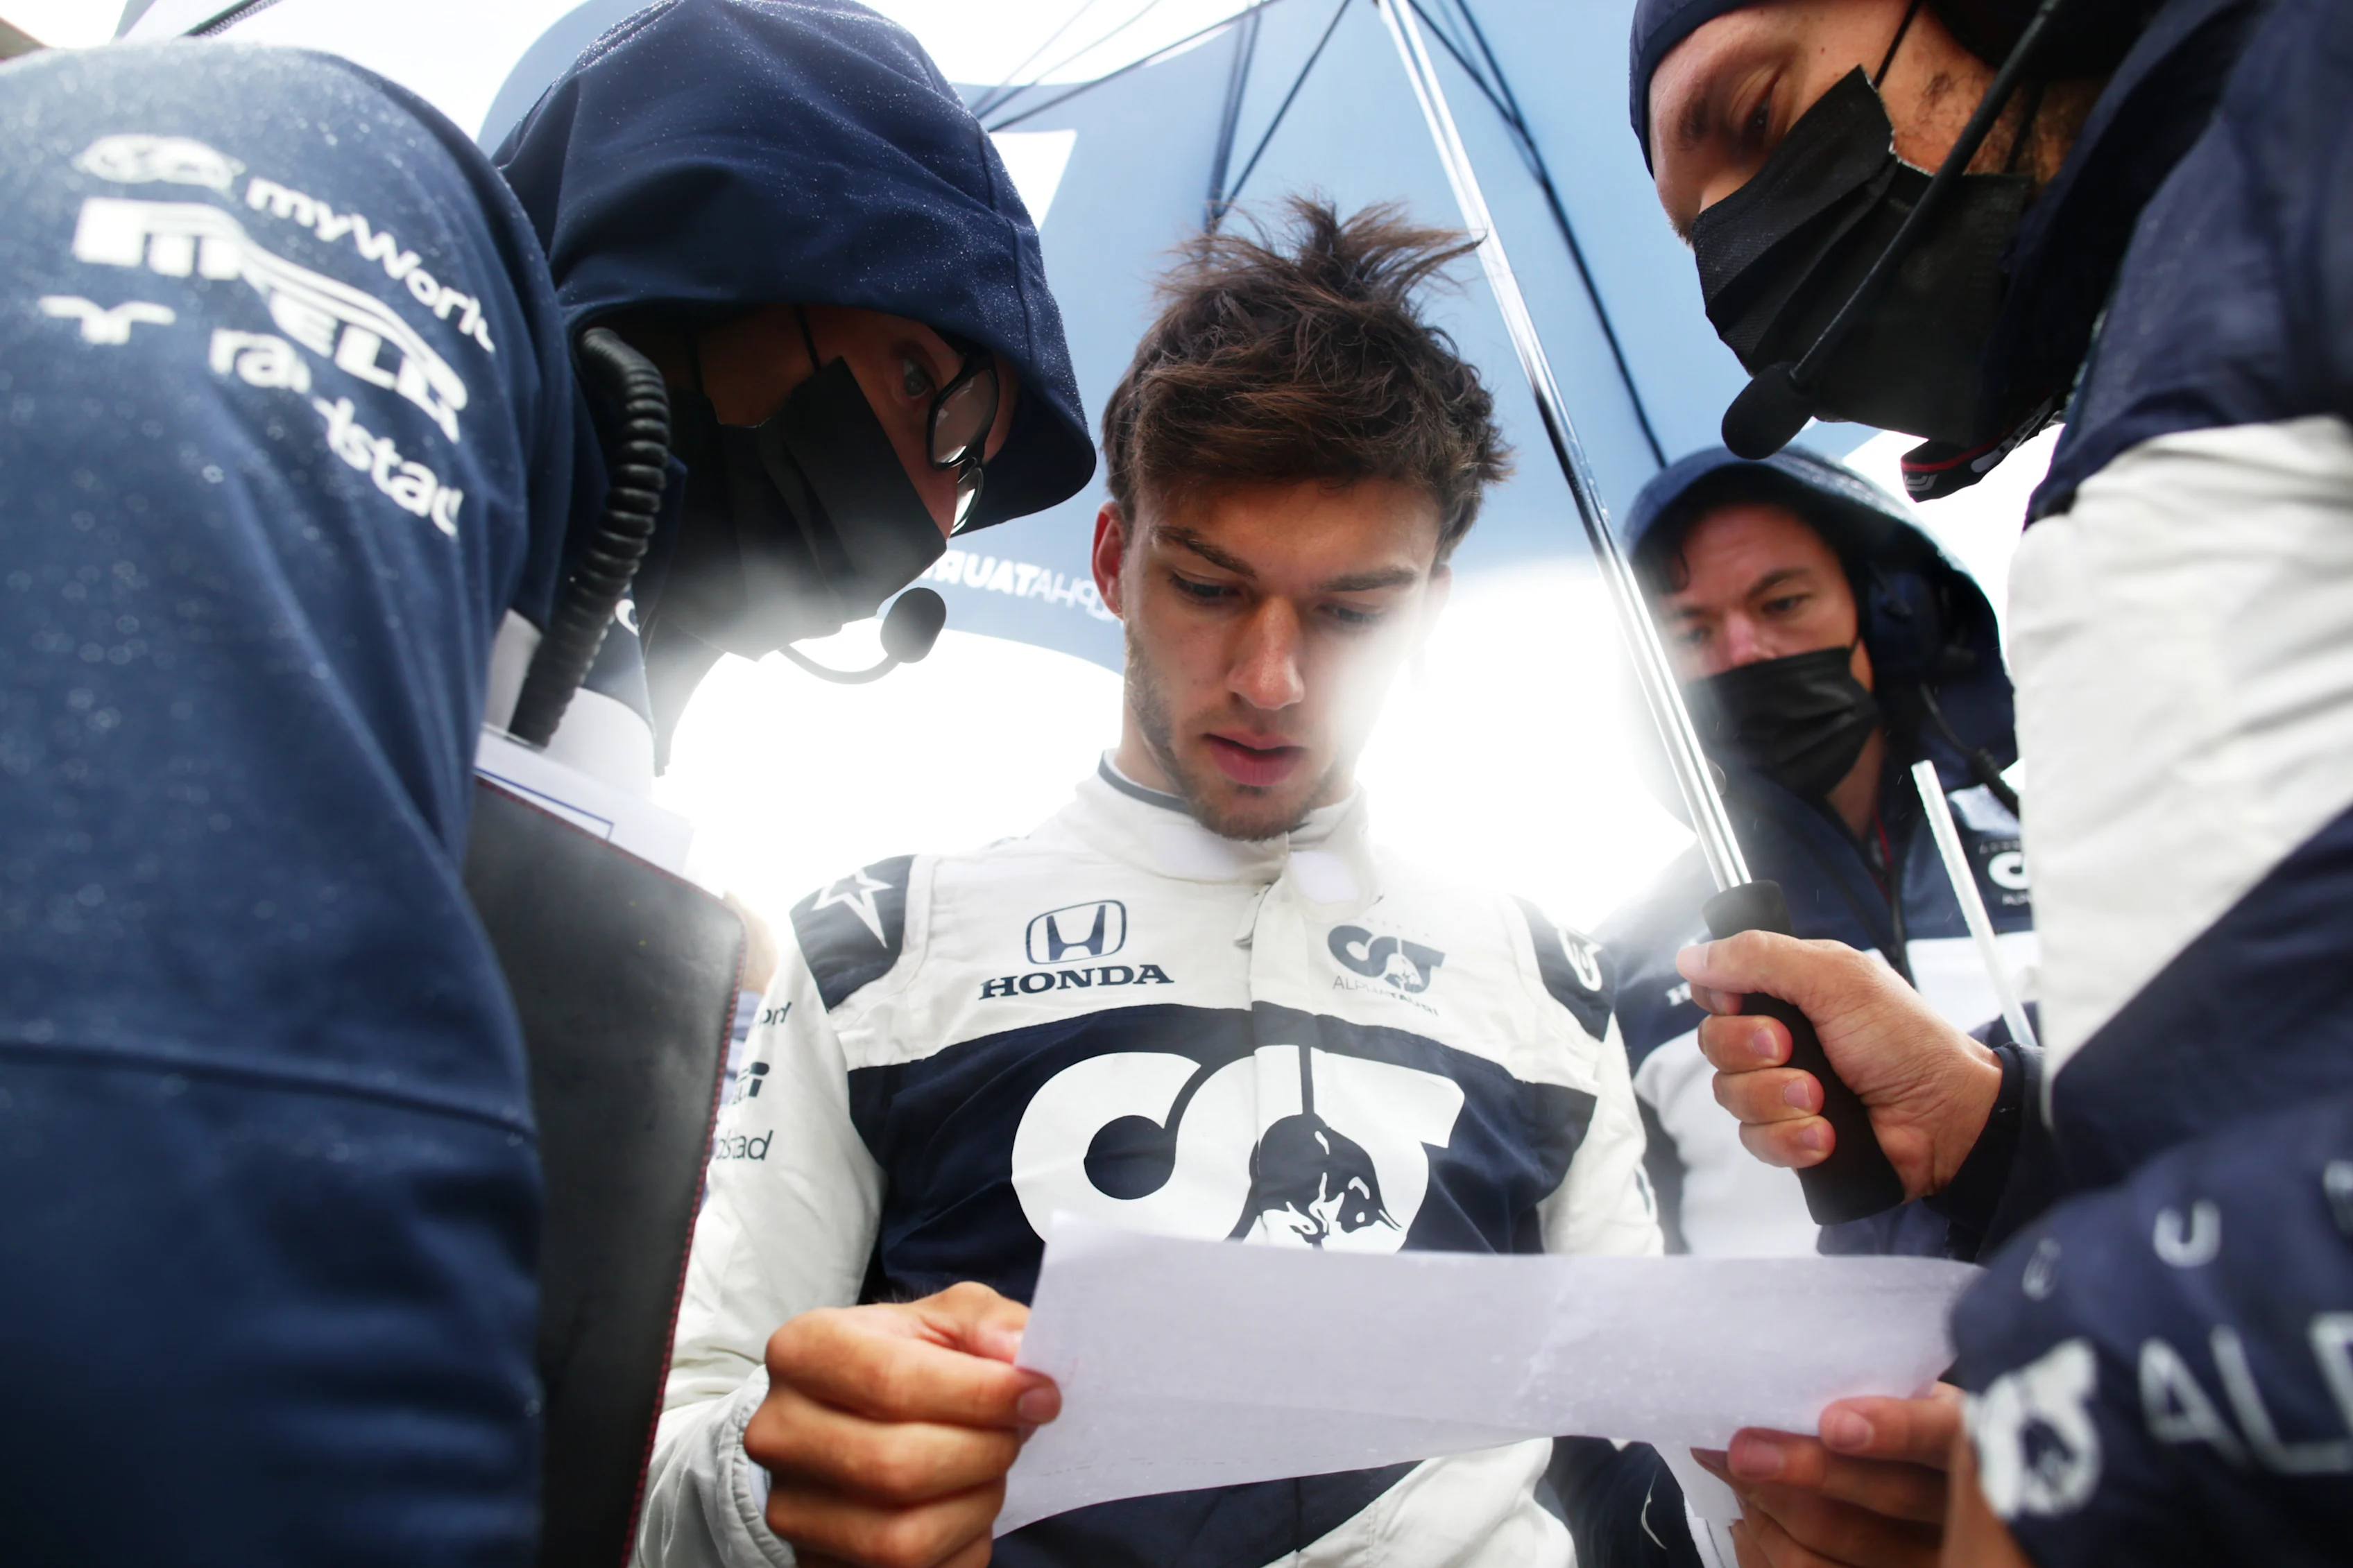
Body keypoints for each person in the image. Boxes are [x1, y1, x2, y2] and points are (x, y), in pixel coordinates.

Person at [0, 2, 1089, 1561]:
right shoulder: (348, 187)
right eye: (937, 388)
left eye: (978, 474)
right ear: (726, 230)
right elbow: (143, 1118)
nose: (935, 501)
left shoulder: (585, 693)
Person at [633, 200, 1683, 1568]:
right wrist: (782, 1478)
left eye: (1352, 611)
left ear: (1428, 607)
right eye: (1206, 584)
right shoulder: (879, 948)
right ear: (1115, 559)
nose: (1270, 677)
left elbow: (1643, 1443)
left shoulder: (1545, 973)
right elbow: (666, 1472)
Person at [1629, 0, 2353, 1562]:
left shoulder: (2314, 107)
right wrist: (2001, 1149)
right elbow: (2252, 1090)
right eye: (1696, 237)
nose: (1745, 259)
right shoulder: (2166, 299)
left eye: (1755, 119)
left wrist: (2078, 1403)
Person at [1601, 446, 2032, 1260]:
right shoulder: (1615, 968)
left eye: (1783, 601)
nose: (1742, 649)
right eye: (1690, 629)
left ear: (1885, 611)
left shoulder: (2079, 844)